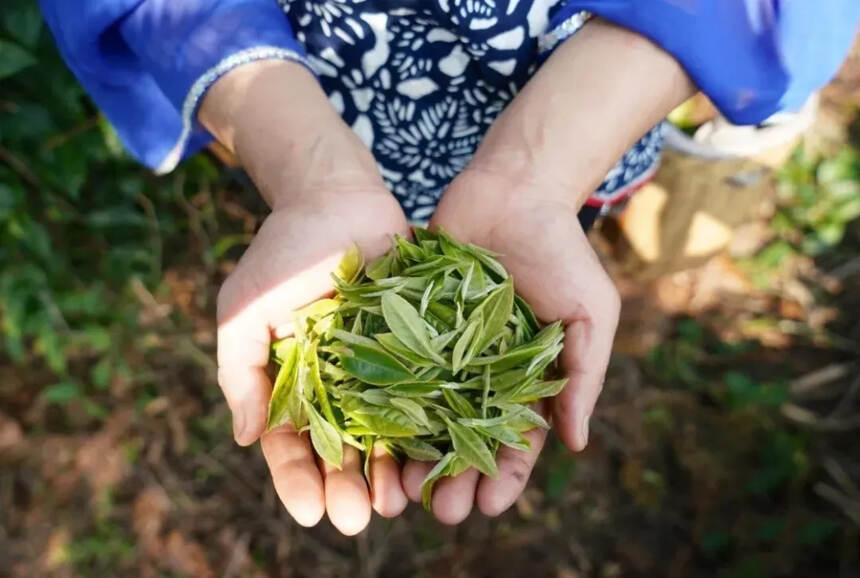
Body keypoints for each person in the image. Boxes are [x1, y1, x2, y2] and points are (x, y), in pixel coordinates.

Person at [40, 0, 859, 535]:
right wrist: (305, 170)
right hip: (315, 94)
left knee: (582, 211)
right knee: (507, 220)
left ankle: (655, 182)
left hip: (594, 90)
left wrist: (545, 170)